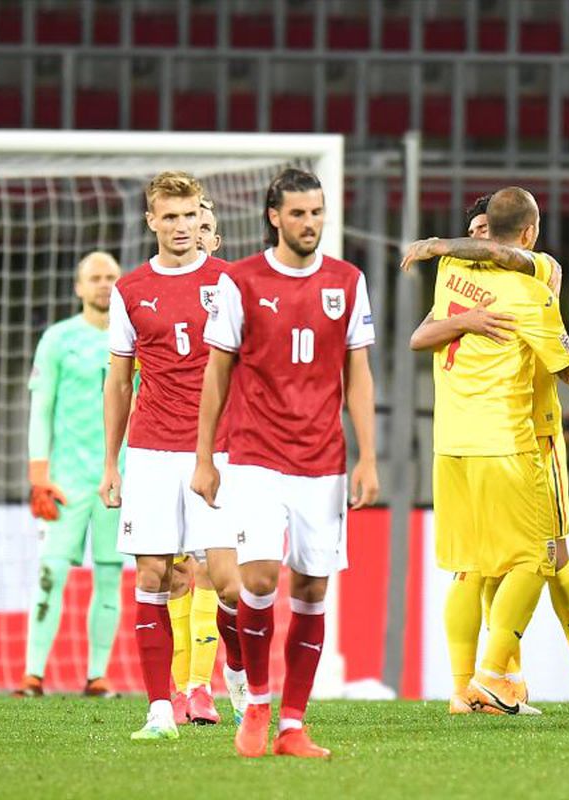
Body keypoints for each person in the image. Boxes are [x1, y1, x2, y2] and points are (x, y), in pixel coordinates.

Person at [193, 167, 379, 759]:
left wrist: (368, 457)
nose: (310, 223)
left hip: (323, 460)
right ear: (275, 216)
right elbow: (217, 371)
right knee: (258, 577)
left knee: (312, 588)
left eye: (318, 212)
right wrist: (205, 458)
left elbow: (359, 374)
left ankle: (293, 725)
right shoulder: (242, 280)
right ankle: (255, 705)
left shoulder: (348, 282)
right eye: (298, 213)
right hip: (254, 455)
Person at [400, 198, 569, 716]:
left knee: (524, 563)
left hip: (464, 441)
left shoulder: (454, 268)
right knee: (533, 560)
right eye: (470, 235)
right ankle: (490, 680)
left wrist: (438, 247)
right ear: (529, 232)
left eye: (483, 234)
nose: (481, 246)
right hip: (514, 440)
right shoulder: (526, 287)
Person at [101, 171, 245, 741]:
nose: (182, 227)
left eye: (190, 216)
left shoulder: (232, 282)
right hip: (153, 450)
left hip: (221, 449)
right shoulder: (130, 290)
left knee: (230, 584)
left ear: (200, 219)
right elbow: (118, 383)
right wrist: (112, 464)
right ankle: (160, 709)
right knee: (154, 574)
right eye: (171, 216)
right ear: (152, 221)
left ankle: (236, 675)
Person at [16, 251, 124, 699]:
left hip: (117, 480)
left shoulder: (130, 339)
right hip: (66, 480)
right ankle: (32, 675)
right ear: (78, 287)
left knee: (110, 573)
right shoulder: (58, 339)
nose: (104, 284)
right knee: (51, 572)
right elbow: (41, 409)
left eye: (111, 277)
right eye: (95, 278)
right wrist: (39, 473)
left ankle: (97, 675)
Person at [168, 196, 229, 725]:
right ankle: (182, 687)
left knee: (210, 568)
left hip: (223, 447)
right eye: (190, 223)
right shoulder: (156, 294)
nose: (199, 233)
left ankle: (201, 687)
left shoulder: (233, 291)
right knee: (174, 572)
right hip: (163, 446)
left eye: (206, 225)